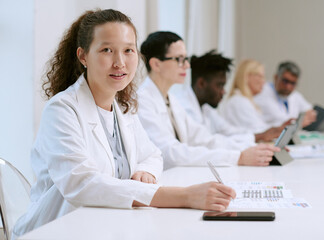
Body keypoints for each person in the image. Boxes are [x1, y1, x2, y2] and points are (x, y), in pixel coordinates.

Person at [13, 10, 236, 238]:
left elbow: (153, 155)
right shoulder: (62, 110)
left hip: (108, 225)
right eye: (107, 50)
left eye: (128, 50)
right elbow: (82, 184)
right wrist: (185, 196)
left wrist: (145, 171)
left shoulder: (123, 109)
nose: (120, 62)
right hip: (59, 229)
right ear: (83, 56)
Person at [137, 31, 280, 170]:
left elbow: (206, 139)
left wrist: (252, 148)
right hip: (165, 179)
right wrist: (238, 157)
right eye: (179, 59)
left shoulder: (171, 100)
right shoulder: (142, 101)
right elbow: (170, 152)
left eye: (186, 59)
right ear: (156, 64)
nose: (187, 65)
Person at [188, 51, 285, 142]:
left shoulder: (207, 109)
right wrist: (260, 136)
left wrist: (261, 135)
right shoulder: (187, 109)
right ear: (201, 83)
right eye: (219, 85)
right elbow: (207, 143)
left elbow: (229, 131)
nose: (223, 91)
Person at [221, 59, 292, 142]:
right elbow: (257, 132)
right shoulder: (238, 102)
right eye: (260, 76)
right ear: (247, 76)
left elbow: (260, 129)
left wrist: (279, 128)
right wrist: (277, 130)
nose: (263, 81)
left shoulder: (246, 101)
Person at [253, 61, 316, 128]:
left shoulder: (294, 95)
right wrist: (299, 122)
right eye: (285, 81)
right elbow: (279, 119)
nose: (288, 87)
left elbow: (310, 112)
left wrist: (310, 116)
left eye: (293, 83)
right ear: (276, 77)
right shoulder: (261, 92)